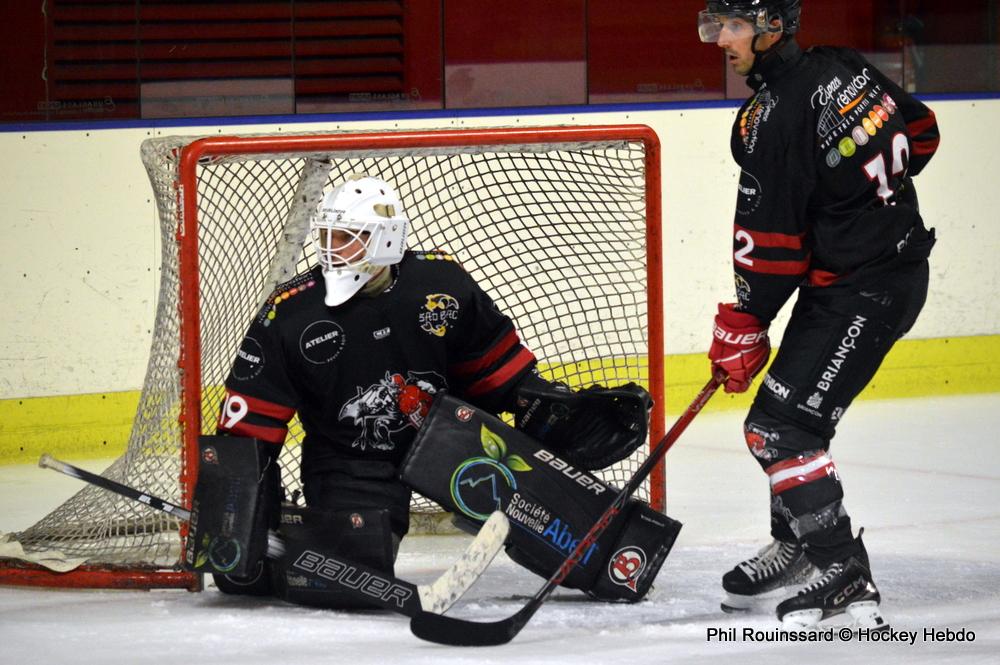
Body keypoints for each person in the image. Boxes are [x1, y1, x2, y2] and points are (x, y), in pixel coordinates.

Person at [203, 174, 655, 605]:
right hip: (351, 459)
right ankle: (288, 551)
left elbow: (493, 369)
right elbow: (248, 431)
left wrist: (539, 408)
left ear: (385, 239)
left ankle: (620, 559)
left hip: (450, 435)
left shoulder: (441, 284)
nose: (330, 248)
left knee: (552, 511)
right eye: (327, 236)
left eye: (347, 237)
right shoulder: (289, 314)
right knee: (352, 575)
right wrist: (239, 515)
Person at [697, 0, 939, 628]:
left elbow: (771, 245)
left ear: (772, 28)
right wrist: (855, 204)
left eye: (734, 25)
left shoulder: (773, 116)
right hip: (874, 273)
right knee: (790, 414)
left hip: (865, 290)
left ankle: (844, 572)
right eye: (715, 23)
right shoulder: (842, 65)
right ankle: (800, 544)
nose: (720, 38)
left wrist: (746, 321)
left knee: (780, 430)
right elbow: (922, 132)